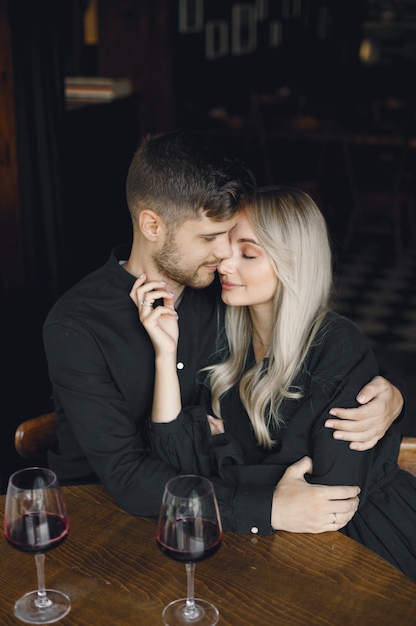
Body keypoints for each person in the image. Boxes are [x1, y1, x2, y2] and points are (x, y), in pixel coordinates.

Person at [44, 129, 404, 535]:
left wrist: (389, 394)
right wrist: (265, 510)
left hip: (208, 515)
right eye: (211, 238)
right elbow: (126, 475)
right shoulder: (76, 326)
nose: (224, 255)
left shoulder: (223, 297)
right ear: (151, 225)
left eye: (232, 239)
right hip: (98, 516)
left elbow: (312, 345)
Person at [133, 186, 416, 581]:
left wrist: (219, 457)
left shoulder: (336, 342)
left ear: (293, 263)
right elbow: (175, 464)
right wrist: (165, 356)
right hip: (267, 540)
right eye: (226, 248)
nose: (225, 264)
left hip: (367, 533)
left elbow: (329, 495)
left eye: (248, 254)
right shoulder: (221, 333)